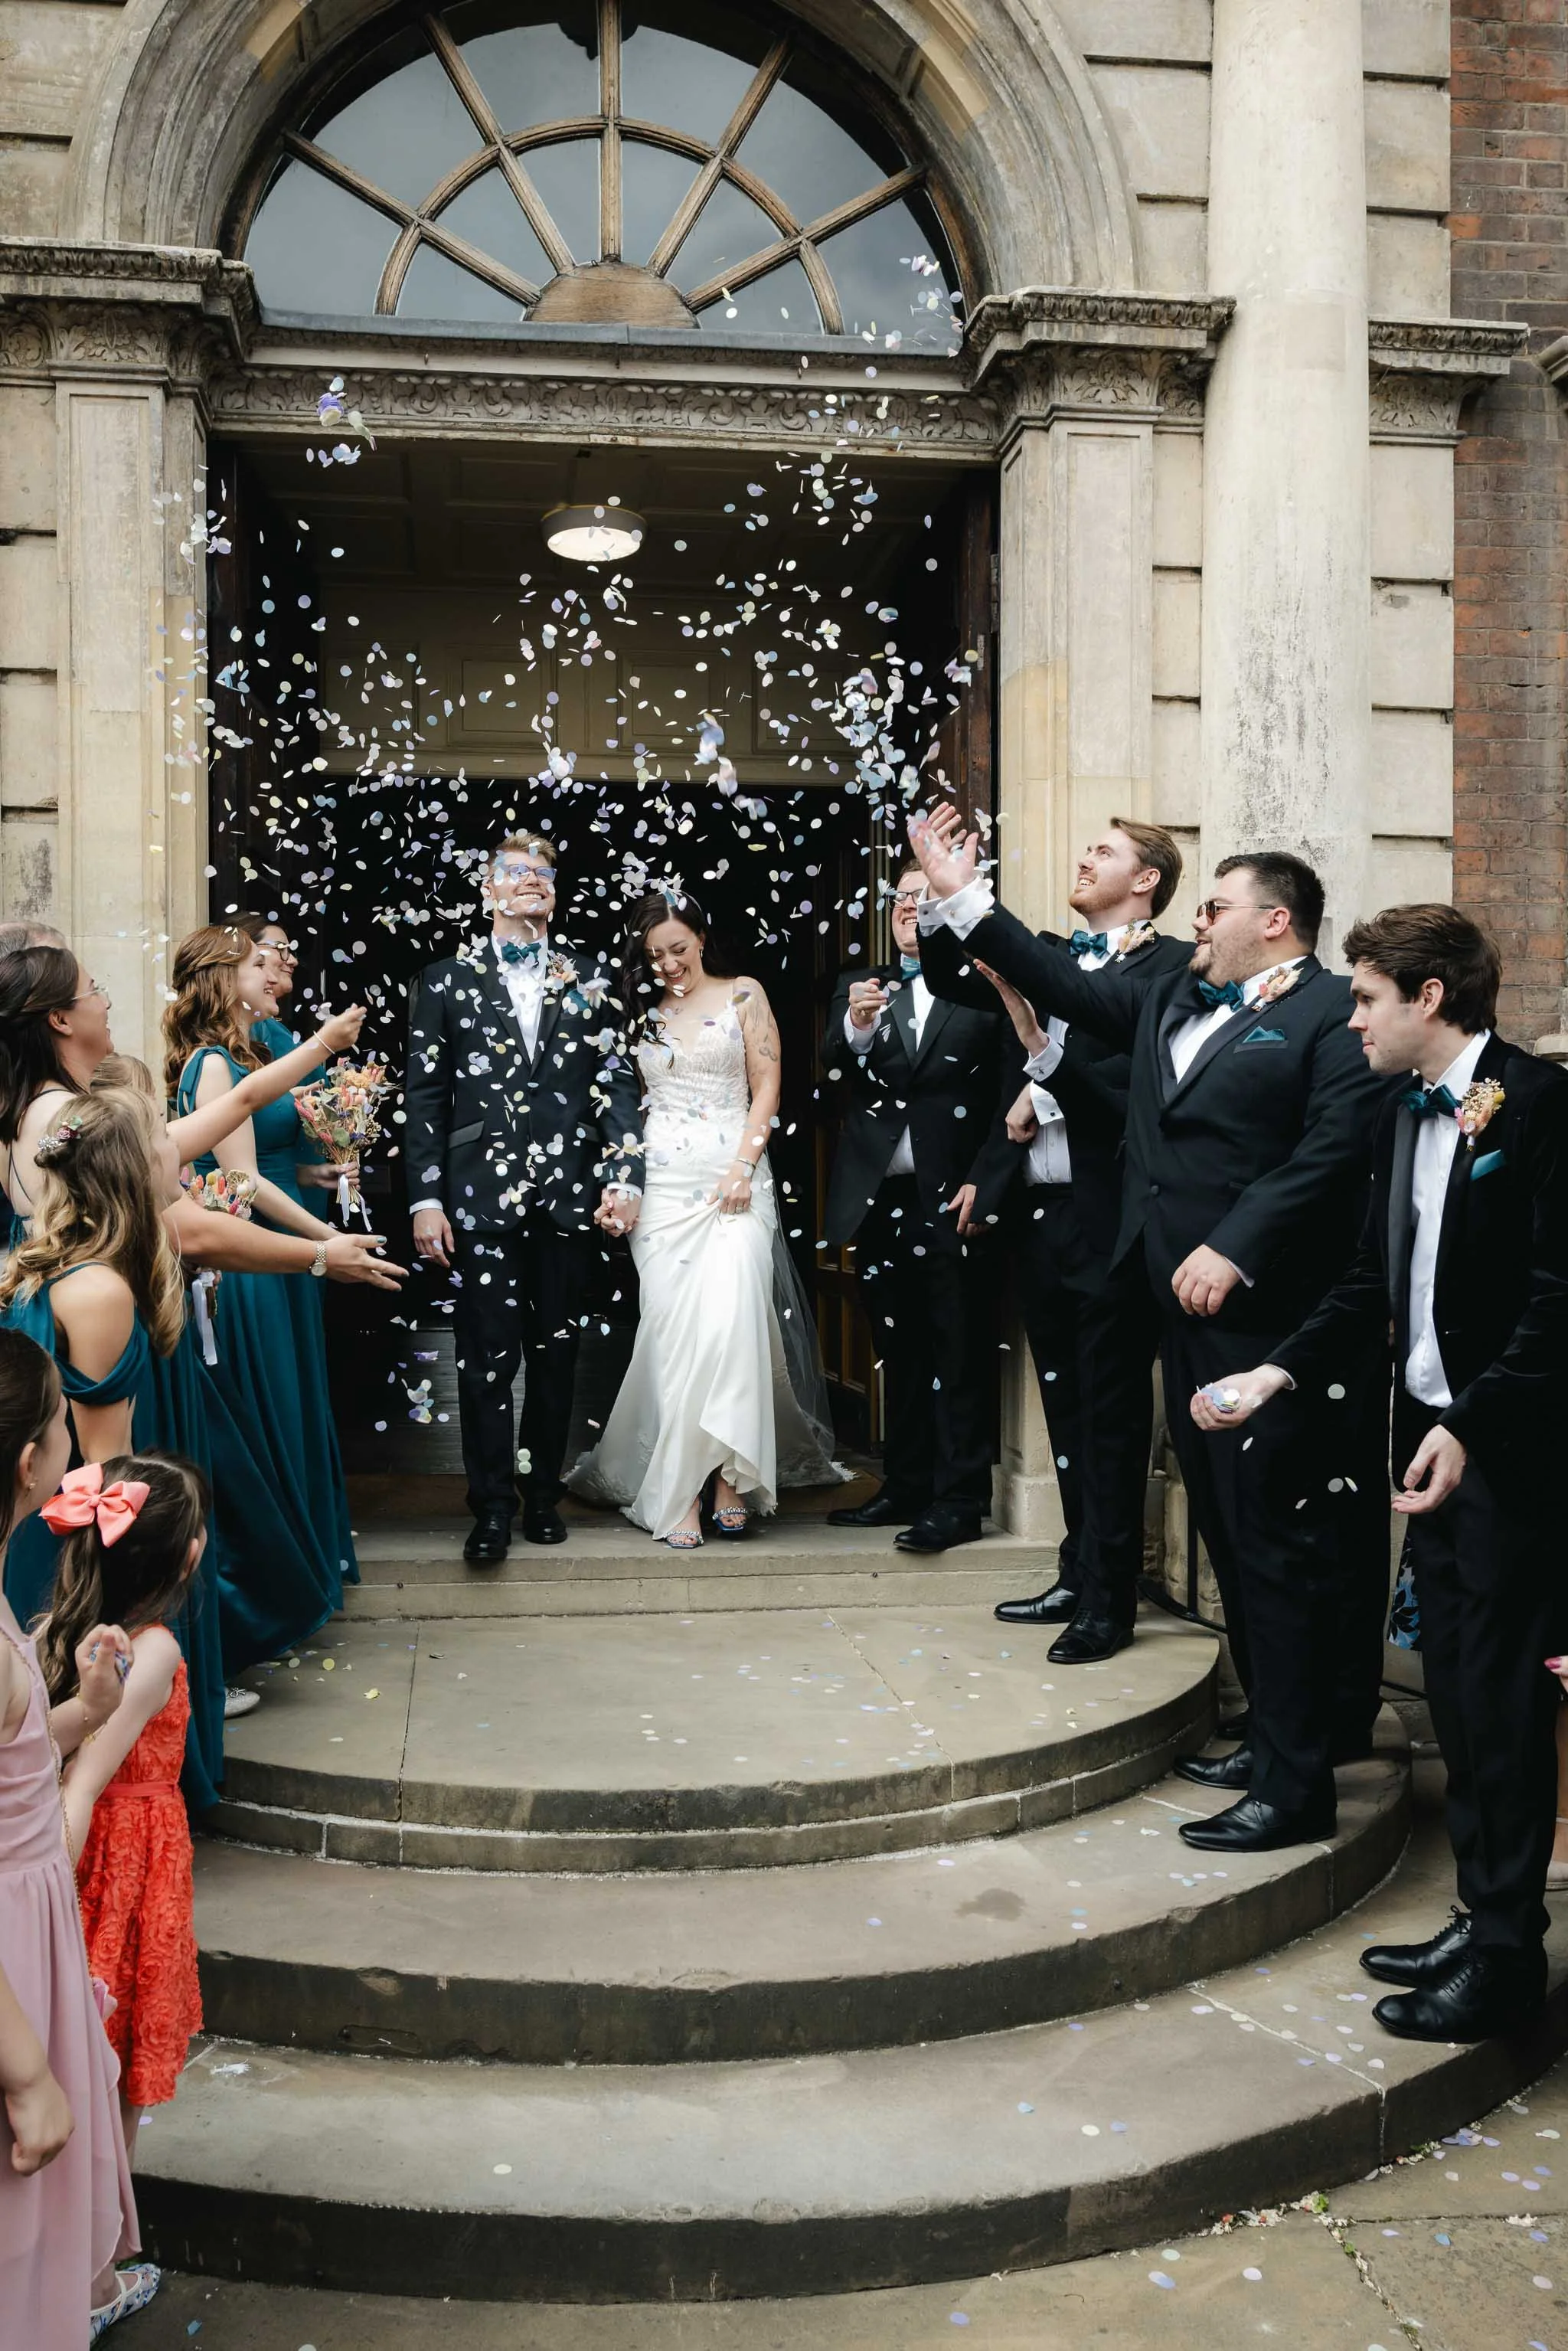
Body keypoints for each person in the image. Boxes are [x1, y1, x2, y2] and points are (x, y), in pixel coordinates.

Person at [908, 806, 1392, 1851]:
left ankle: (1298, 1781)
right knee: (1226, 1534)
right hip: (1167, 1296)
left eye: (1217, 905)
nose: (1200, 920)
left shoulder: (1327, 1016)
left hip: (1263, 1313)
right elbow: (1070, 988)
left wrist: (1237, 1244)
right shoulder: (1174, 989)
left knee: (1273, 1544)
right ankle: (1272, 1738)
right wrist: (963, 897)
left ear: (1276, 921)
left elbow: (1329, 1152)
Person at [1194, 904, 1568, 2039]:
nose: (1348, 1015)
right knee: (1454, 1691)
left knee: (1500, 1703)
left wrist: (1472, 1423)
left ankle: (1508, 1959)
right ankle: (1482, 1908)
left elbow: (1559, 1300)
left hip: (1514, 1458)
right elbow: (1370, 1286)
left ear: (1430, 997)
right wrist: (1274, 1374)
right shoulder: (1402, 1118)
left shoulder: (1543, 1109)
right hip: (1433, 1449)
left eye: (1363, 997)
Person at [963, 821, 1193, 1654]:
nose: (1083, 856)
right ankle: (1074, 1568)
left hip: (1110, 1216)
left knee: (1111, 1411)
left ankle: (1110, 1598)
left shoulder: (1168, 968)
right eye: (1084, 844)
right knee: (1063, 1404)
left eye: (1104, 851)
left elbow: (1118, 1082)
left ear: (1146, 880)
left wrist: (1044, 1087)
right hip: (1042, 1214)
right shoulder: (1056, 960)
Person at [569, 894, 841, 1545]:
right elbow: (622, 1109)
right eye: (654, 955)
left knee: (732, 1320)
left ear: (701, 937)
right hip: (662, 1186)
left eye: (678, 949)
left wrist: (743, 1167)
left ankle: (728, 1475)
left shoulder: (745, 994)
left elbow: (768, 1084)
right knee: (673, 1333)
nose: (668, 965)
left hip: (735, 1179)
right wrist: (619, 1184)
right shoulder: (636, 1015)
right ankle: (682, 1485)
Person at [405, 832, 644, 1562]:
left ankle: (542, 1496)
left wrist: (623, 1174)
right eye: (516, 871)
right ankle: (491, 1507)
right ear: (488, 890)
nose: (532, 880)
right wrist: (426, 1199)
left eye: (544, 871)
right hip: (479, 1198)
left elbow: (619, 1085)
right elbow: (426, 1097)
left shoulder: (592, 977)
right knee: (483, 1358)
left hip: (568, 1197)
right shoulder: (444, 981)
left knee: (558, 1355)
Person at [0, 1326, 153, 2346]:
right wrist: (29, 2074)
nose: (73, 1432)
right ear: (30, 1462)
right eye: (65, 1417)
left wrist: (80, 1712)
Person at [165, 925, 359, 1670]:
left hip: (274, 1262)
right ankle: (275, 1607)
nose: (270, 969)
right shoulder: (216, 1065)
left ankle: (299, 1586)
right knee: (270, 1421)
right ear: (222, 979)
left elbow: (248, 1164)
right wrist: (324, 1244)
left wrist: (320, 1180)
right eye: (254, 962)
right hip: (251, 1277)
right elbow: (238, 1186)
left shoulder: (241, 1054)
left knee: (290, 1413)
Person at [821, 859, 1011, 1554]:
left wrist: (987, 1182)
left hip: (953, 1196)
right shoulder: (859, 986)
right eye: (901, 898)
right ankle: (903, 1484)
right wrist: (860, 1031)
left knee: (957, 1347)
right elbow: (833, 1073)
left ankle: (959, 1499)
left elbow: (1006, 1097)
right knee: (895, 1346)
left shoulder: (986, 988)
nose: (908, 907)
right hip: (881, 1198)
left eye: (924, 897)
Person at [39, 1455, 207, 2154]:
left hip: (120, 1855)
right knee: (115, 2063)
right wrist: (45, 1898)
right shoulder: (154, 1650)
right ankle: (104, 2254)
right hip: (124, 1866)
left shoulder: (55, 1628)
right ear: (185, 1555)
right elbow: (84, 1778)